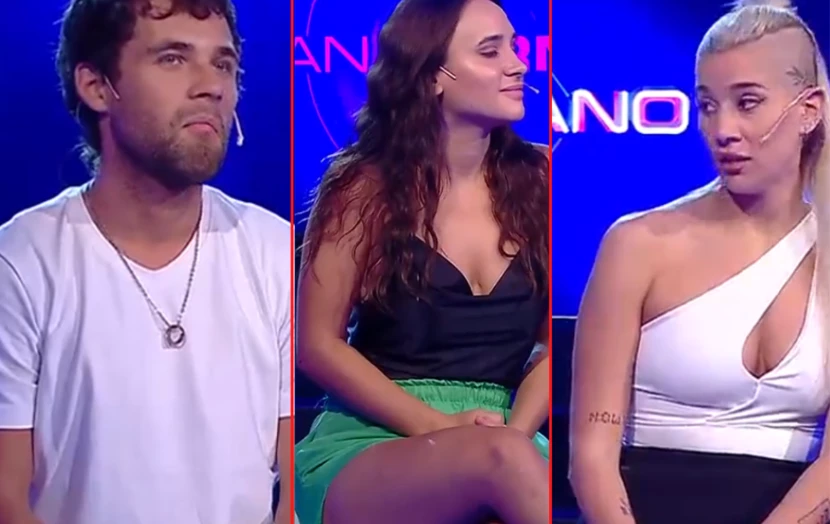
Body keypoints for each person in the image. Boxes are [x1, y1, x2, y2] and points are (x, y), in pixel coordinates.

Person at [0, 1, 292, 523]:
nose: (212, 86)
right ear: (96, 87)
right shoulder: (23, 260)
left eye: (223, 63)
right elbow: (7, 499)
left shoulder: (273, 250)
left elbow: (294, 486)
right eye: (173, 59)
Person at [569, 0, 830, 523]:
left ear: (809, 110)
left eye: (747, 102)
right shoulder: (637, 244)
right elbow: (590, 458)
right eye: (708, 105)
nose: (722, 128)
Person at [294, 0, 551, 523]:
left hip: (506, 437)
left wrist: (517, 434)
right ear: (433, 76)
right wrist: (440, 427)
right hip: (374, 436)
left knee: (517, 466)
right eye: (490, 51)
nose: (518, 64)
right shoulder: (364, 186)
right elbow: (315, 344)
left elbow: (551, 346)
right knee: (501, 462)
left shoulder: (543, 179)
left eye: (514, 46)